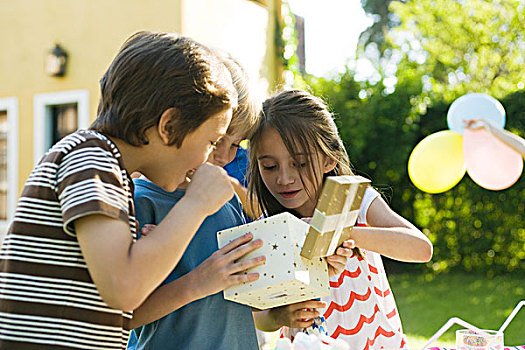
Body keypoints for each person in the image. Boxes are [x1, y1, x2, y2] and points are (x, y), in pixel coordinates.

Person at [0, 31, 251, 349]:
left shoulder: (108, 170)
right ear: (169, 126)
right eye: (211, 141)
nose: (211, 157)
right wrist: (196, 203)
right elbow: (123, 288)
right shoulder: (91, 158)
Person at [249, 90, 433, 349]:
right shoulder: (272, 226)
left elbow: (421, 248)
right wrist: (279, 316)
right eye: (269, 166)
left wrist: (345, 235)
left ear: (329, 158)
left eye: (299, 163)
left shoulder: (357, 202)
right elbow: (259, 314)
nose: (284, 178)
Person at [127, 52, 264, 350]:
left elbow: (238, 298)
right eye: (217, 140)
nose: (225, 156)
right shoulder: (142, 200)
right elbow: (125, 316)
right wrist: (197, 282)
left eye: (236, 144)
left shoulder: (226, 201)